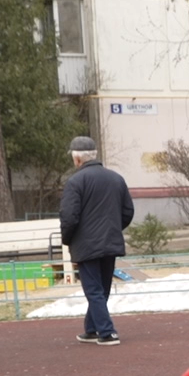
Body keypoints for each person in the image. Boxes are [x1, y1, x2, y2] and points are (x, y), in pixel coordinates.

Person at [59, 136, 133, 344]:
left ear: (77, 159)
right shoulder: (116, 178)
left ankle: (107, 332)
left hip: (87, 244)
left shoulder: (75, 182)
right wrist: (113, 229)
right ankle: (92, 329)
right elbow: (127, 211)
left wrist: (68, 239)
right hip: (110, 241)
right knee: (102, 288)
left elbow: (69, 217)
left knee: (93, 290)